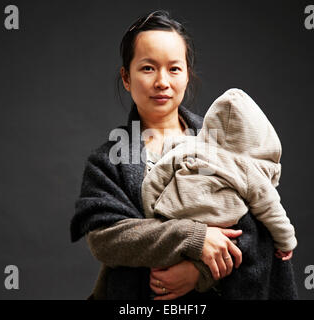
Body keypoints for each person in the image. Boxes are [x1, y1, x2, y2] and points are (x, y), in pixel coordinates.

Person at [70, 10, 298, 300]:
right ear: (126, 77)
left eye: (174, 69)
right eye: (148, 68)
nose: (162, 81)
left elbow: (260, 223)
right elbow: (107, 238)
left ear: (187, 75)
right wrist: (194, 238)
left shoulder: (226, 143)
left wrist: (200, 271)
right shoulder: (108, 160)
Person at [142, 88, 297, 261]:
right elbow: (271, 209)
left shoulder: (187, 147)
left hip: (172, 215)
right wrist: (286, 241)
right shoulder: (248, 170)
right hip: (218, 221)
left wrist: (151, 215)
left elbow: (154, 179)